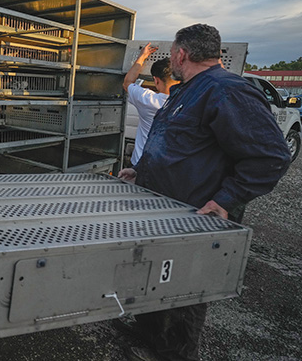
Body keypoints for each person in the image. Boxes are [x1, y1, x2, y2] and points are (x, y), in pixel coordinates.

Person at [119, 24, 291, 361]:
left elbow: (271, 156)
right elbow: (182, 145)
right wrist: (142, 170)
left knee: (188, 289)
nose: (172, 60)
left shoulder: (227, 91)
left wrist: (226, 199)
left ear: (181, 54)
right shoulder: (189, 89)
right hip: (165, 209)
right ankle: (149, 335)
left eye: (172, 54)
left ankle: (176, 355)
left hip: (196, 217)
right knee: (156, 275)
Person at [122, 43, 179, 166]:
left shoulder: (149, 100)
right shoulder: (190, 101)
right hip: (171, 169)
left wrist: (142, 57)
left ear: (156, 80)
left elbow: (127, 83)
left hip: (142, 165)